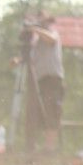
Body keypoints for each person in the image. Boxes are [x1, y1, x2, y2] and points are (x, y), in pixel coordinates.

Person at [23, 11, 64, 153]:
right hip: (40, 81)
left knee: (52, 111)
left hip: (53, 79)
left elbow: (51, 40)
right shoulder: (36, 42)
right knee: (40, 113)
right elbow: (30, 59)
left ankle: (50, 147)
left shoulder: (52, 33)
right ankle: (38, 146)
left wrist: (35, 28)